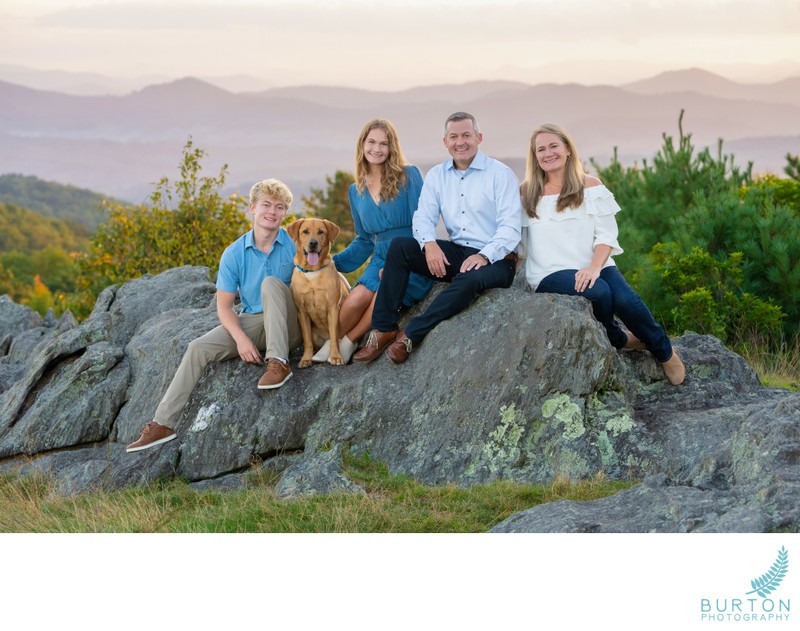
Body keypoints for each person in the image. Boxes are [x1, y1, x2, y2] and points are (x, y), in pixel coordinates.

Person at [126, 178, 302, 453]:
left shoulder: (294, 244)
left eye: (279, 207)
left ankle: (279, 362)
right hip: (256, 321)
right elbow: (223, 307)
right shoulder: (233, 253)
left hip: (292, 322)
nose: (272, 212)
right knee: (197, 348)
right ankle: (163, 423)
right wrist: (241, 339)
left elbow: (320, 276)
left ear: (285, 214)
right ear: (252, 208)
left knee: (270, 283)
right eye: (266, 205)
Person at [519, 122, 685, 385]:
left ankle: (665, 351)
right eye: (541, 149)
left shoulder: (591, 186)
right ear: (535, 156)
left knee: (626, 300)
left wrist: (595, 267)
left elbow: (607, 235)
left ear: (568, 150)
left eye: (554, 146)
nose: (548, 153)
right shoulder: (526, 192)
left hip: (596, 263)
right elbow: (512, 235)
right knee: (599, 292)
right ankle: (619, 338)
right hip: (549, 271)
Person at [353, 111, 522, 364]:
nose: (460, 142)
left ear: (479, 137)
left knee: (468, 280)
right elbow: (422, 218)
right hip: (457, 252)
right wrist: (429, 244)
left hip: (498, 258)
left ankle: (411, 334)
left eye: (466, 135)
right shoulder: (437, 175)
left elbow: (510, 227)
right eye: (453, 137)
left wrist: (484, 255)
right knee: (400, 247)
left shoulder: (500, 174)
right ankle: (384, 328)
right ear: (445, 142)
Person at [310, 118, 433, 365]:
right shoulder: (356, 190)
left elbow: (424, 221)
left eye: (384, 144)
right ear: (362, 145)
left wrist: (402, 264)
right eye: (372, 142)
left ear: (392, 148)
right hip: (380, 257)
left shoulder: (408, 175)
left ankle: (348, 342)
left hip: (411, 253)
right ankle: (332, 341)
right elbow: (365, 239)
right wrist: (333, 262)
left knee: (381, 294)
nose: (377, 149)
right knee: (356, 298)